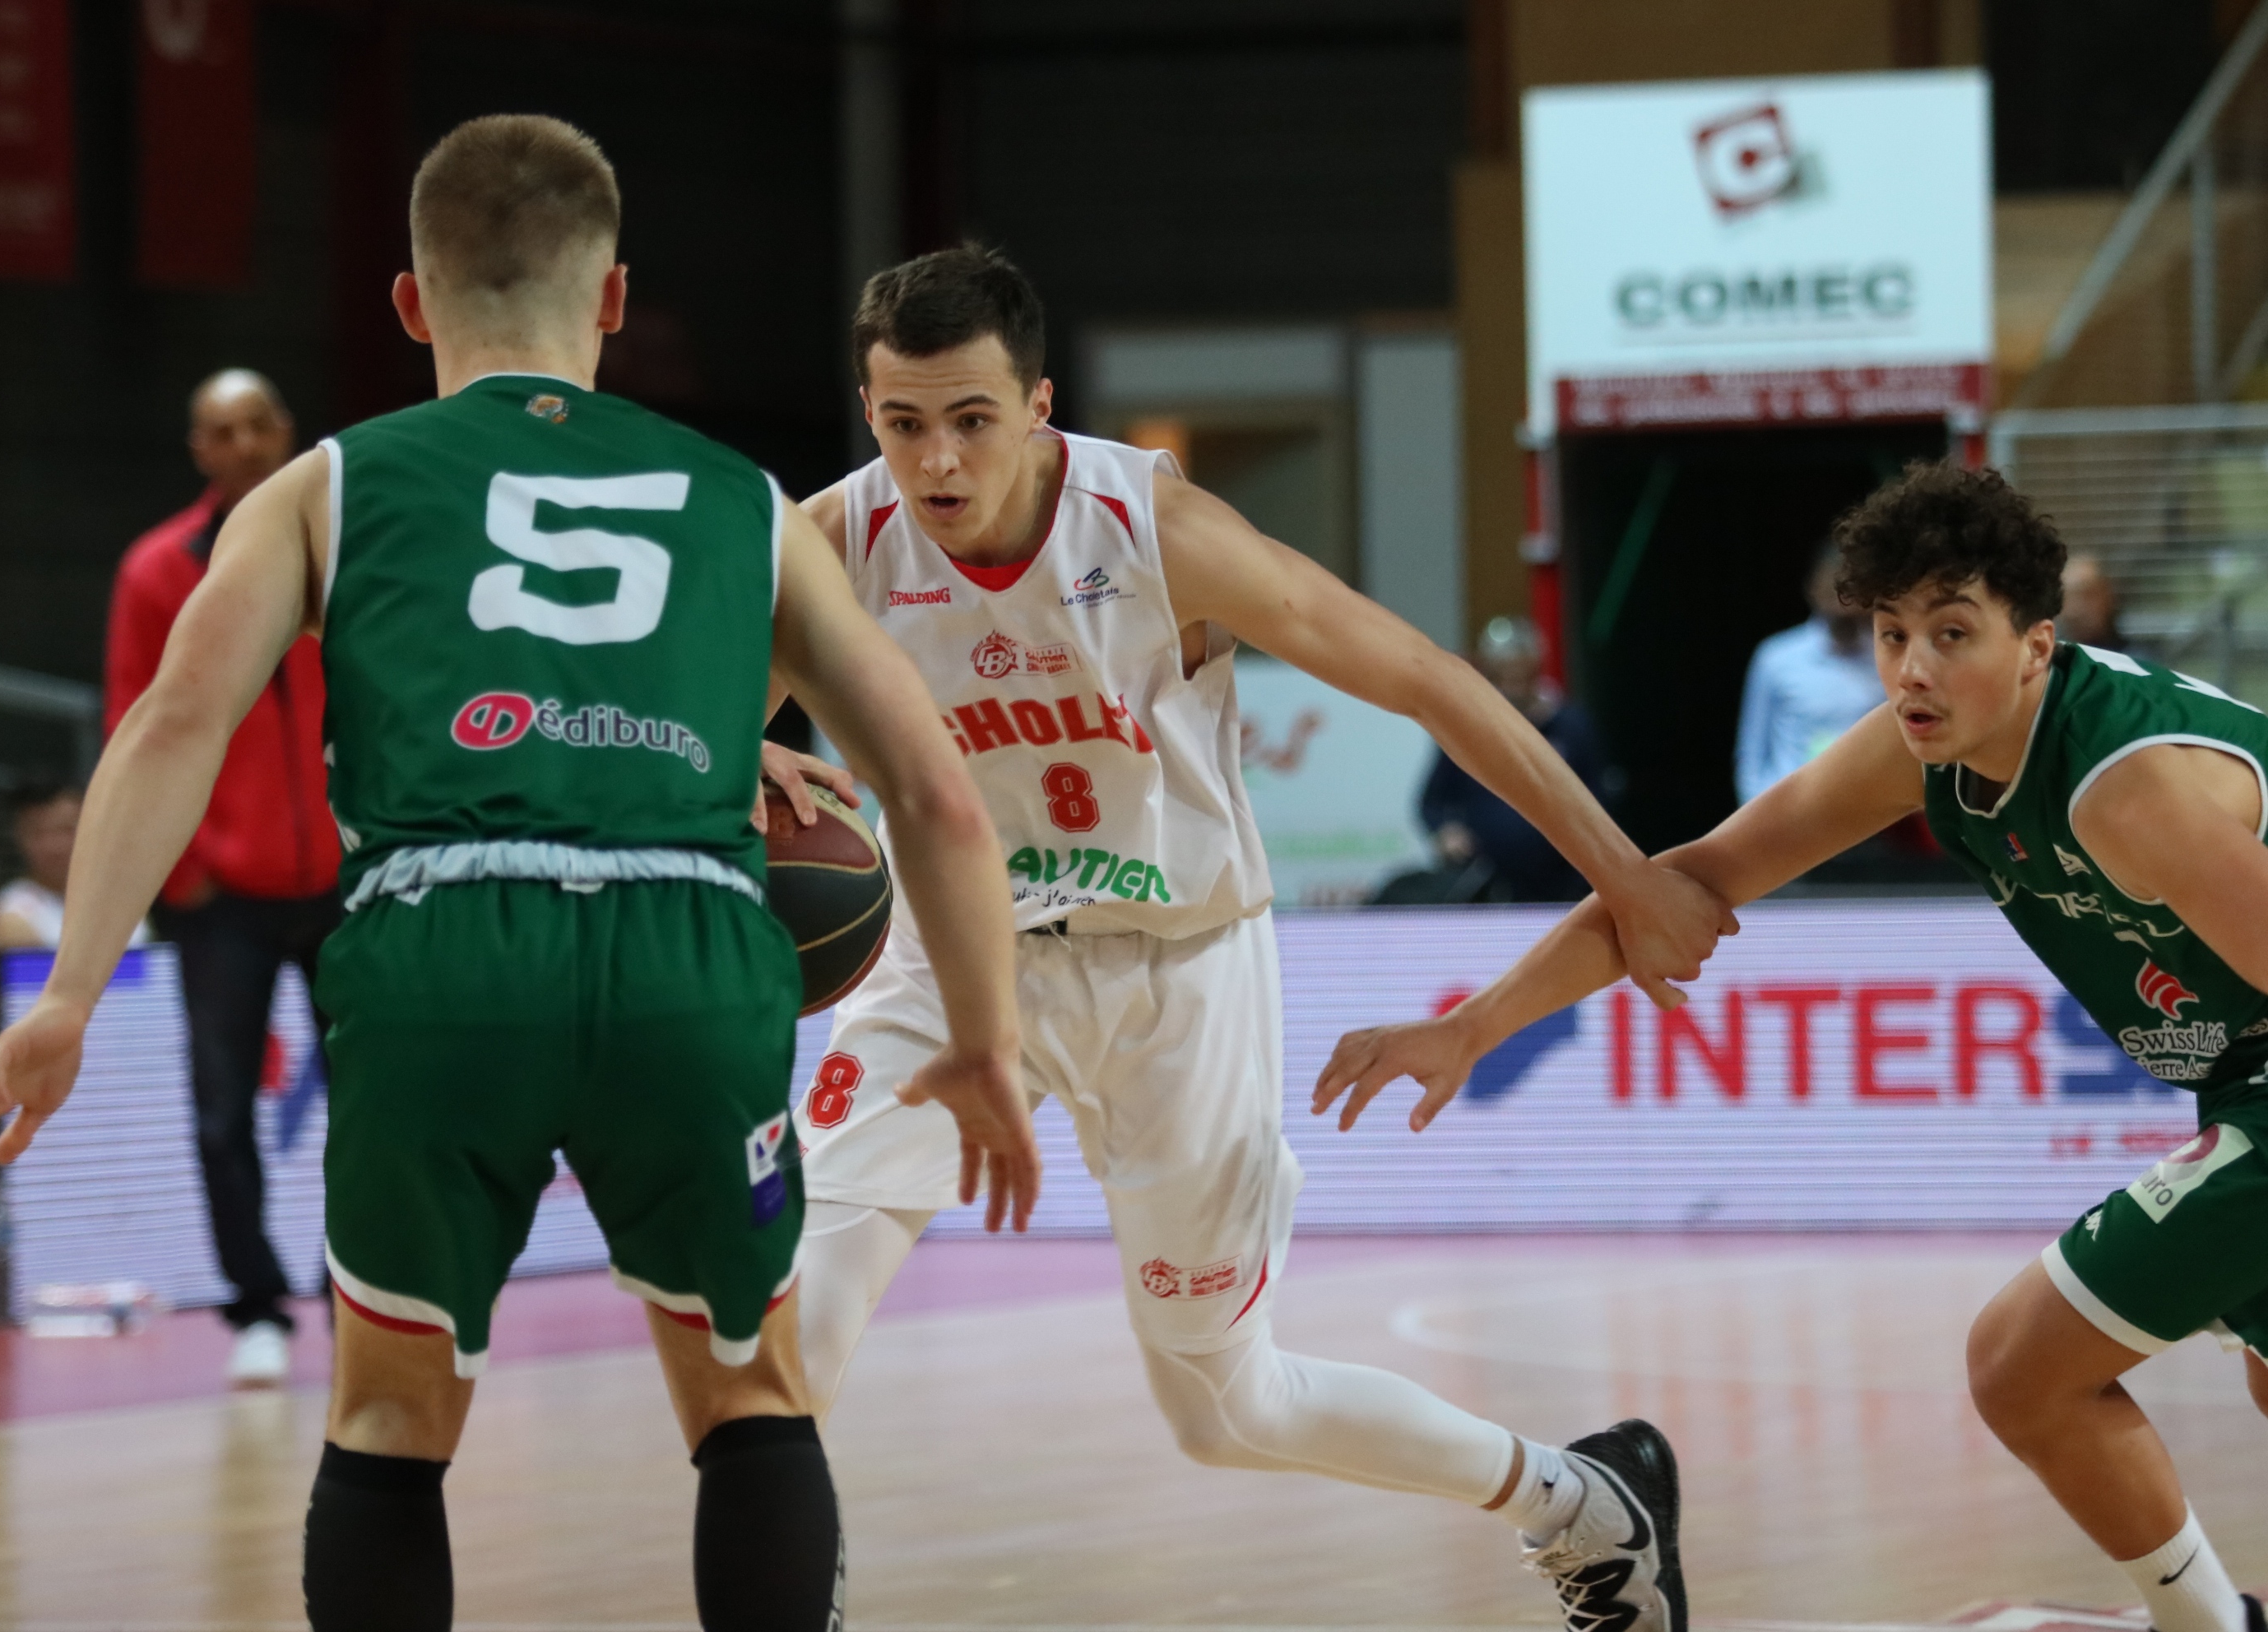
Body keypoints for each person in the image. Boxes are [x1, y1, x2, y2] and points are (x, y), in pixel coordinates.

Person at [0, 114, 1038, 1632]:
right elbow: (932, 792)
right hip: (692, 949)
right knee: (749, 1390)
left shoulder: (322, 486)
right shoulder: (742, 499)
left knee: (392, 1418)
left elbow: (176, 718)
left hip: (439, 943)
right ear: (611, 301)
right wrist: (982, 1040)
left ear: (412, 301)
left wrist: (71, 989)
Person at [779, 245, 1732, 1631]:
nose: (934, 457)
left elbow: (1424, 676)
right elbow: (695, 731)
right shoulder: (827, 544)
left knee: (1227, 1404)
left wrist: (1626, 874)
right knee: (790, 1325)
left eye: (970, 417)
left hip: (1178, 966)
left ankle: (1581, 1500)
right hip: (953, 958)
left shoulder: (1153, 528)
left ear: (1038, 403)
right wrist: (735, 765)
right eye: (900, 420)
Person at [1317, 461, 2268, 1632]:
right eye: (1891, 633)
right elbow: (1694, 884)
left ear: (2037, 643)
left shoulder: (2131, 793)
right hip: (2238, 1078)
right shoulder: (1925, 748)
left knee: (2024, 1367)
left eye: (1953, 632)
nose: (1914, 667)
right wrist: (1473, 1024)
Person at [106, 367, 344, 1389]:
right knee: (219, 1110)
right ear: (198, 449)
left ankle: (361, 1294)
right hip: (225, 899)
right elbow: (138, 716)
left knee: (376, 1099)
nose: (243, 444)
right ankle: (256, 1308)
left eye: (258, 426)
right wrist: (184, 868)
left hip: (345, 879)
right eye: (221, 431)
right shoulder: (159, 570)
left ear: (286, 432)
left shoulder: (349, 544)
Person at [1383, 614, 1607, 904]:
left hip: (1561, 881)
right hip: (1486, 881)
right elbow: (1432, 801)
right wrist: (1446, 831)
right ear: (1489, 675)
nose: (1512, 687)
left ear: (1535, 670)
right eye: (1504, 677)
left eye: (1520, 676)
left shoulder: (1571, 727)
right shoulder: (1467, 729)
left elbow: (1600, 799)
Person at [1733, 538, 1882, 804]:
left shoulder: (1885, 659)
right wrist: (1758, 816)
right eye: (1833, 579)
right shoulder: (1777, 657)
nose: (1842, 593)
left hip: (1864, 819)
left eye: (1851, 582)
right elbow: (1751, 753)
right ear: (1813, 586)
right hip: (1788, 816)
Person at [0, 781, 150, 953]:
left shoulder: (124, 900)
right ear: (19, 838)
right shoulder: (14, 916)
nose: (54, 846)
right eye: (38, 833)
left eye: (66, 830)